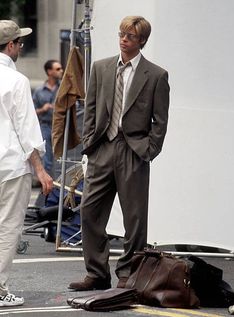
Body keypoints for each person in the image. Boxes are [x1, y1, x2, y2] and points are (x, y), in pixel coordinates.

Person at [68, 16, 170, 291]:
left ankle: (128, 273)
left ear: (142, 42)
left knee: (135, 219)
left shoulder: (156, 75)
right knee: (89, 211)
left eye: (130, 36)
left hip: (134, 151)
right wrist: (90, 142)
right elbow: (90, 110)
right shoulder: (101, 68)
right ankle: (97, 272)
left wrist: (149, 150)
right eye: (121, 34)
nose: (124, 39)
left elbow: (160, 121)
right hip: (103, 147)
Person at [0, 20, 53, 307]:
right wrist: (41, 170)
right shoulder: (16, 81)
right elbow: (27, 130)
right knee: (7, 228)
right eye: (19, 43)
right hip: (9, 165)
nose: (21, 46)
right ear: (10, 46)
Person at [33, 59, 63, 176]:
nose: (61, 71)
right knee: (47, 158)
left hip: (60, 127)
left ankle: (59, 186)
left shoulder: (63, 89)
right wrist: (43, 109)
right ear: (49, 71)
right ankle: (46, 187)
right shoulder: (39, 91)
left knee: (61, 158)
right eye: (57, 69)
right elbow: (32, 112)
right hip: (45, 126)